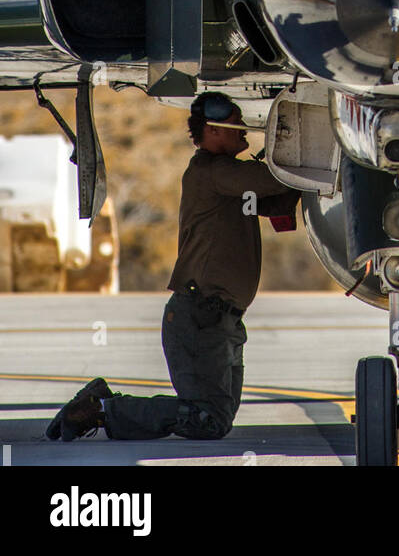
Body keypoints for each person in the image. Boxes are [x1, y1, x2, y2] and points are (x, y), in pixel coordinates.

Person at [46, 92, 300, 443]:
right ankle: (102, 409)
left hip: (219, 320)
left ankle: (104, 405)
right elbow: (275, 180)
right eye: (233, 126)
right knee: (207, 419)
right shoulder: (213, 173)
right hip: (202, 319)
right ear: (211, 132)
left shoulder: (230, 182)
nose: (243, 131)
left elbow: (278, 195)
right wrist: (306, 158)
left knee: (215, 419)